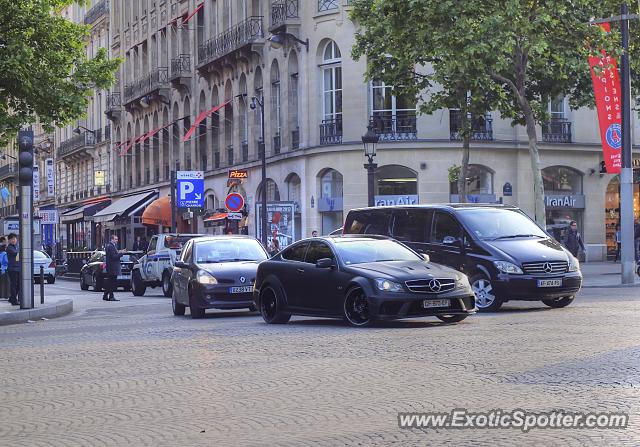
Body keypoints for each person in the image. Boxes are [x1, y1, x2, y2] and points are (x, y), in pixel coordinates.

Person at [103, 234, 123, 302]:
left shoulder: (111, 246)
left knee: (110, 282)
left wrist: (119, 252)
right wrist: (121, 254)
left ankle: (106, 295)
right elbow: (113, 257)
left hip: (111, 267)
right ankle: (110, 296)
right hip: (112, 267)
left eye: (117, 239)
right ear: (112, 239)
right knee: (112, 282)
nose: (117, 241)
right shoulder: (111, 246)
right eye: (115, 239)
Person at [6, 233, 20, 305]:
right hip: (12, 269)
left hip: (18, 268)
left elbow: (18, 256)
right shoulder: (9, 248)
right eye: (12, 239)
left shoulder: (16, 246)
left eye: (15, 239)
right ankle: (13, 300)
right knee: (14, 285)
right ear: (9, 240)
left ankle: (12, 298)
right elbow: (16, 254)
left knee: (19, 285)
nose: (14, 240)